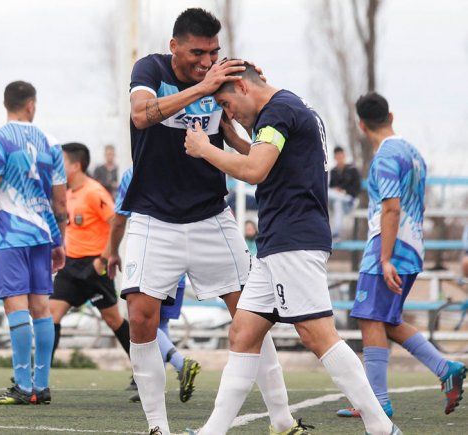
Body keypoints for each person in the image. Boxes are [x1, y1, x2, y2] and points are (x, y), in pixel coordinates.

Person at [183, 62, 399, 435]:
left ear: (243, 87)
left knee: (318, 335)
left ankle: (381, 427)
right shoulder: (292, 108)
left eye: (225, 102)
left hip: (293, 240)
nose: (226, 113)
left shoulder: (279, 111)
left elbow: (255, 170)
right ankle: (213, 431)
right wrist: (234, 140)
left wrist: (204, 148)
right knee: (244, 332)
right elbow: (269, 160)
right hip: (278, 242)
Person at [117, 9, 300, 435]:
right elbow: (141, 115)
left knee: (252, 316)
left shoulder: (221, 78)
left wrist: (256, 98)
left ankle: (282, 420)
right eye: (198, 52)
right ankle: (157, 427)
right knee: (141, 317)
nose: (206, 60)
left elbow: (240, 139)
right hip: (152, 218)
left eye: (213, 52)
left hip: (211, 217)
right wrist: (203, 85)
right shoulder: (151, 68)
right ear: (174, 46)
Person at [335, 92, 465, 418]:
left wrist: (384, 258)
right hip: (413, 246)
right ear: (390, 116)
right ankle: (445, 367)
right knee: (387, 321)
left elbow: (391, 209)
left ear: (362, 125)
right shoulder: (414, 153)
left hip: (389, 246)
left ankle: (376, 401)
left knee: (368, 317)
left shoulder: (385, 157)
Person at [0, 81, 66, 406]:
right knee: (41, 308)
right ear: (31, 105)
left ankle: (23, 385)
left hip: (10, 234)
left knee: (16, 307)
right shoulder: (51, 142)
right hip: (42, 233)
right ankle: (43, 385)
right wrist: (59, 240)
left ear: (7, 104)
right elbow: (61, 203)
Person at [111, 168, 201, 404]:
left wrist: (111, 251)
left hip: (151, 259)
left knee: (142, 319)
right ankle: (154, 387)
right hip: (181, 259)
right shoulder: (182, 166)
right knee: (160, 324)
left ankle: (180, 363)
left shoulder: (134, 171)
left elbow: (120, 218)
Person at [49, 143, 131, 367]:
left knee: (114, 320)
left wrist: (103, 259)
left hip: (95, 266)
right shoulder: (65, 193)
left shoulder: (95, 192)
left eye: (62, 163)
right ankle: (40, 376)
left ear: (75, 166)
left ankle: (143, 370)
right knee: (51, 315)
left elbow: (116, 223)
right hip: (70, 266)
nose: (57, 167)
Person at [328, 146, 362, 239]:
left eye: (341, 156)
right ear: (334, 157)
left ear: (344, 155)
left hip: (350, 201)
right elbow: (331, 188)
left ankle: (335, 234)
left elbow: (357, 188)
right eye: (337, 156)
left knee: (337, 200)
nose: (339, 158)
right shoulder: (333, 171)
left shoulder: (352, 170)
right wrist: (337, 191)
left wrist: (344, 191)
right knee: (336, 202)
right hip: (338, 201)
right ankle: (335, 234)